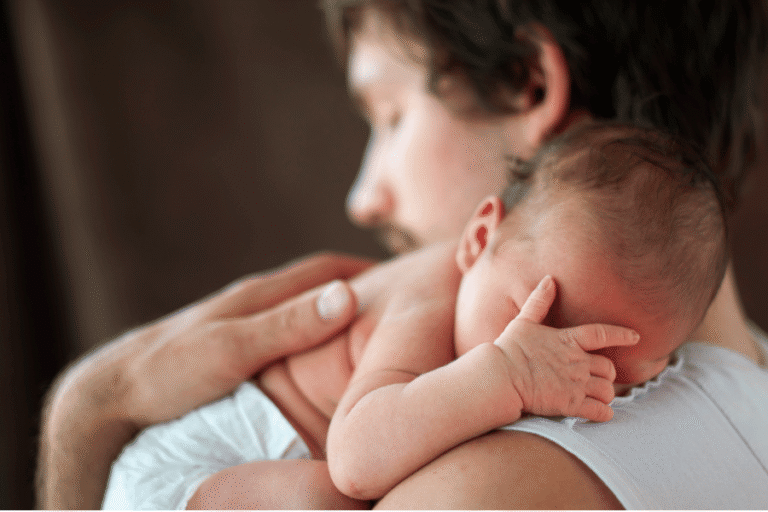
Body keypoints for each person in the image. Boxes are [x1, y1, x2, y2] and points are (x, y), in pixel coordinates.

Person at [37, 0, 768, 509]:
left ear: (529, 82)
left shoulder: (481, 493)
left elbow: (357, 472)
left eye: (391, 115)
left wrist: (89, 414)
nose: (365, 198)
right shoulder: (745, 391)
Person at [103, 123, 725, 509]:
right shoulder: (430, 296)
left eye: (606, 370)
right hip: (193, 472)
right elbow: (355, 460)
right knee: (327, 500)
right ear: (480, 239)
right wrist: (504, 373)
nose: (553, 364)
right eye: (533, 318)